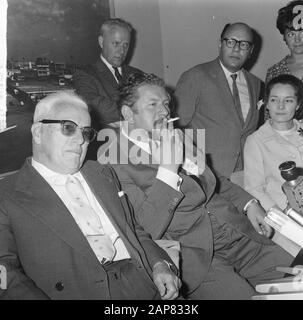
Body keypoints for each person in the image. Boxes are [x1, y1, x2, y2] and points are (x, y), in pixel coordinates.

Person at [98, 73, 295, 300]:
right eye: (153, 105)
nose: (164, 112)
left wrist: (250, 204)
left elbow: (215, 179)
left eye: (165, 104)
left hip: (239, 235)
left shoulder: (178, 135)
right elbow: (144, 229)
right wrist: (169, 169)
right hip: (197, 257)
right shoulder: (111, 161)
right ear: (127, 114)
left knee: (297, 281)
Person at [0, 91, 180, 300]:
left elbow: (133, 229)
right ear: (38, 132)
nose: (80, 140)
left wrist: (159, 264)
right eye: (68, 128)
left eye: (86, 133)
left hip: (142, 280)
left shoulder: (101, 173)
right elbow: (7, 273)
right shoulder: (8, 194)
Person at [175, 22, 264, 180]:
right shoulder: (195, 77)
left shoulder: (256, 84)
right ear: (220, 44)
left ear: (251, 51)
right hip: (206, 174)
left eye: (244, 44)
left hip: (245, 173)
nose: (236, 49)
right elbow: (175, 129)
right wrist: (191, 170)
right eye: (230, 42)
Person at [244, 74, 303, 212]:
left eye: (288, 101)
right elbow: (254, 188)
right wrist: (279, 217)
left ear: (298, 104)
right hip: (284, 216)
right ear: (267, 103)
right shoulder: (256, 141)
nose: (280, 106)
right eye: (274, 100)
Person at [73, 18, 143, 130]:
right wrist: (141, 114)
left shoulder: (137, 74)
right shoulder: (85, 73)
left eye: (126, 45)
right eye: (116, 43)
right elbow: (93, 105)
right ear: (101, 42)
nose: (122, 51)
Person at [265, 1, 303, 121]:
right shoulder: (274, 72)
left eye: (302, 33)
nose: (297, 40)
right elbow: (268, 116)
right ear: (284, 37)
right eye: (291, 34)